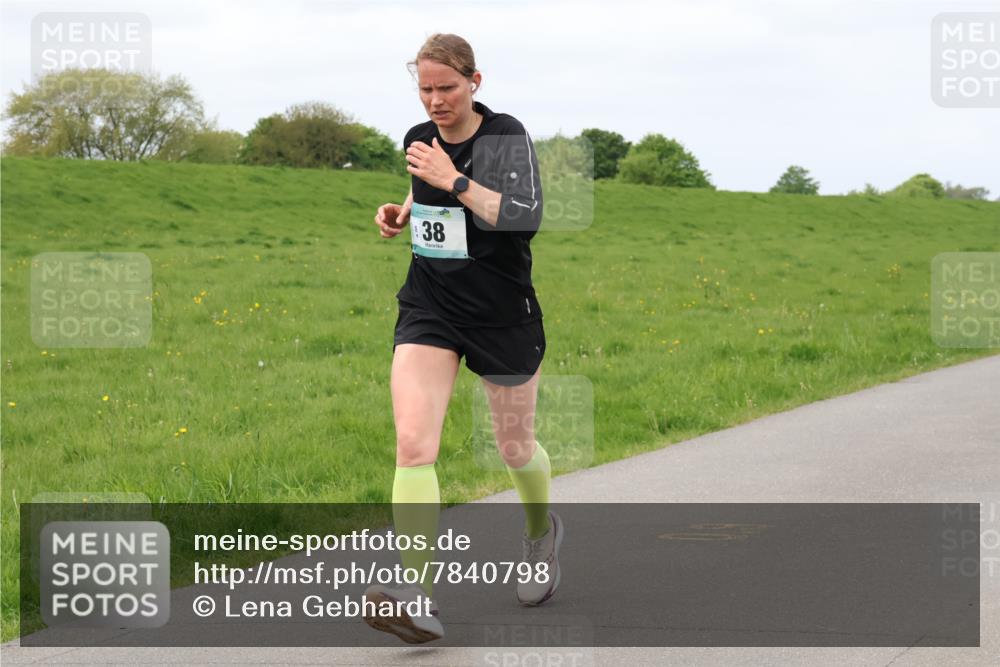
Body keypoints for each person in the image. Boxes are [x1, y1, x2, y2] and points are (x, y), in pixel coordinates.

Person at [364, 33, 563, 644]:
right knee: (413, 442)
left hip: (502, 312)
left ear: (475, 82)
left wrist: (453, 181)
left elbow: (524, 217)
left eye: (446, 88)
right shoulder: (417, 139)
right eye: (424, 89)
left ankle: (538, 535)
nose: (434, 101)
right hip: (431, 305)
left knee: (513, 447)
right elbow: (425, 192)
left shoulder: (503, 136)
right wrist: (402, 209)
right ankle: (417, 597)